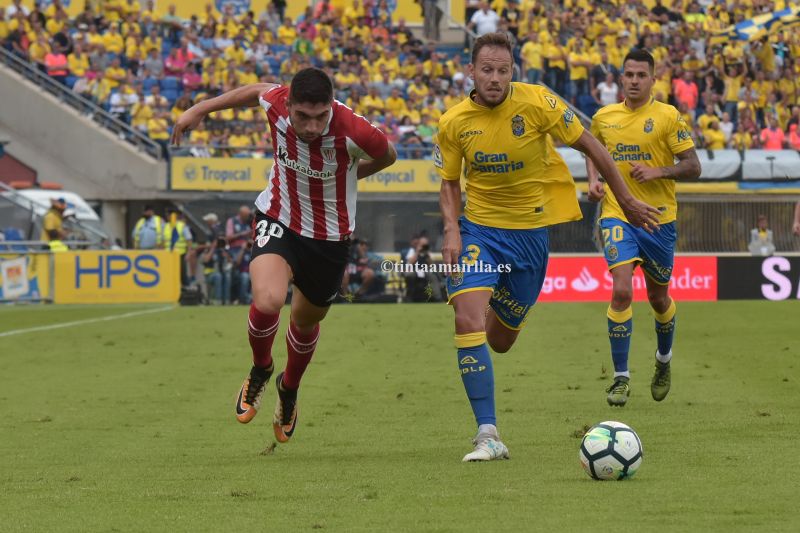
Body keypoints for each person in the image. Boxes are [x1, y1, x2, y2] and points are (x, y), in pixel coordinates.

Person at [434, 33, 660, 462]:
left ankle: (483, 308)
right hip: (479, 231)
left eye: (503, 71)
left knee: (499, 341)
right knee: (467, 320)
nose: (495, 79)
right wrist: (451, 229)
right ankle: (488, 434)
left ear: (513, 71)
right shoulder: (453, 122)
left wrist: (626, 199)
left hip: (531, 239)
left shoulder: (539, 103)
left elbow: (592, 144)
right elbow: (448, 181)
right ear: (471, 71)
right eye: (487, 70)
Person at [172, 68, 396, 443]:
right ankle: (261, 368)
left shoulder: (354, 130)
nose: (311, 126)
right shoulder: (274, 102)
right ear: (288, 104)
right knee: (269, 299)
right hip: (279, 217)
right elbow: (254, 90)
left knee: (305, 322)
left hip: (328, 237)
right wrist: (200, 109)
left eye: (320, 116)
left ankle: (288, 388)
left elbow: (388, 154)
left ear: (331, 106)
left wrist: (349, 176)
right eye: (302, 116)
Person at [586, 49, 702, 408]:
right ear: (621, 78)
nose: (634, 80)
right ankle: (620, 378)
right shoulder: (604, 117)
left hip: (658, 220)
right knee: (621, 290)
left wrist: (659, 171)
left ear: (653, 79)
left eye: (641, 75)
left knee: (658, 298)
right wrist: (593, 181)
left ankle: (663, 361)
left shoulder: (668, 117)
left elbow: (693, 166)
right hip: (617, 215)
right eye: (629, 74)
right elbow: (593, 153)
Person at [163, 208, 194, 286]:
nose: (168, 217)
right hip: (168, 255)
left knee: (181, 272)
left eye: (169, 215)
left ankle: (185, 287)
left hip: (180, 254)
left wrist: (189, 252)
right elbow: (163, 241)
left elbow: (189, 239)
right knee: (169, 273)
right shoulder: (165, 226)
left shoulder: (182, 226)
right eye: (167, 215)